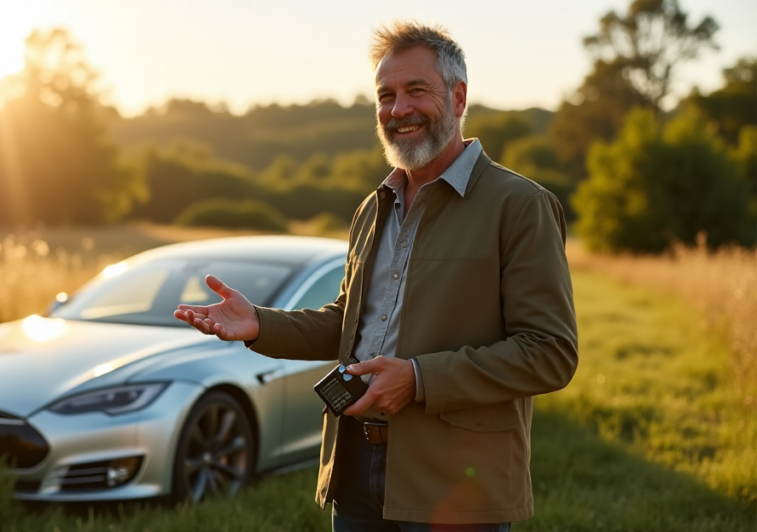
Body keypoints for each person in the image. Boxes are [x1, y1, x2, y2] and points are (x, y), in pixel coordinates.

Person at [174, 20, 577, 531]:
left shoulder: (520, 206)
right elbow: (349, 322)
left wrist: (417, 379)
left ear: (458, 97)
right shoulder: (373, 206)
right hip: (354, 465)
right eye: (385, 95)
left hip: (456, 480)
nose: (398, 109)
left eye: (415, 91)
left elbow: (550, 353)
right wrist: (258, 322)